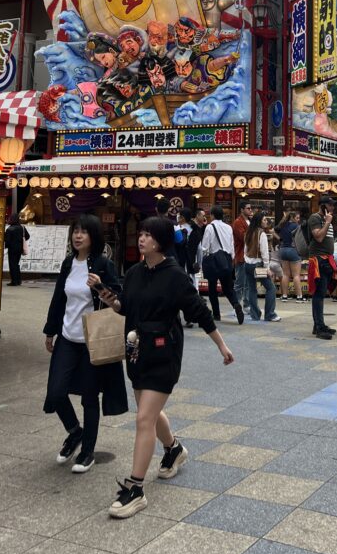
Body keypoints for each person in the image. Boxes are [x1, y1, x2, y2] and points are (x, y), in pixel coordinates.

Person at [96, 216, 234, 518]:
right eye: (141, 233)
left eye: (148, 235)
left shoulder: (175, 276)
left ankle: (135, 488)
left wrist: (222, 346)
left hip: (164, 354)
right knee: (149, 412)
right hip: (137, 351)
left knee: (144, 418)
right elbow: (126, 307)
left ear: (160, 241)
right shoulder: (134, 272)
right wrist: (110, 300)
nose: (141, 238)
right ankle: (173, 449)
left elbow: (200, 312)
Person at [43, 215, 128, 474]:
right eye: (75, 231)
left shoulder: (103, 264)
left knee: (90, 398)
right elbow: (59, 298)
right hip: (67, 337)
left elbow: (118, 300)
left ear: (94, 236)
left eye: (83, 232)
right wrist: (50, 331)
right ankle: (75, 432)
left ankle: (88, 451)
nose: (78, 236)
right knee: (56, 392)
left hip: (92, 340)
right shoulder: (68, 263)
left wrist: (100, 287)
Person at [201, 206, 245, 324]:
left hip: (213, 260)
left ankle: (216, 314)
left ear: (212, 215)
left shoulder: (210, 227)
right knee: (228, 288)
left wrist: (203, 259)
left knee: (212, 288)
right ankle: (236, 304)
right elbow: (231, 244)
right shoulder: (228, 227)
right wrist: (231, 259)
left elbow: (205, 246)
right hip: (226, 260)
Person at [307, 196, 337, 339]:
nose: (332, 207)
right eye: (330, 205)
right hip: (318, 259)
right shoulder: (315, 218)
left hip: (326, 259)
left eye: (333, 205)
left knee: (321, 293)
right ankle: (319, 327)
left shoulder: (325, 219)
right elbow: (318, 237)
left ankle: (319, 324)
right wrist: (327, 222)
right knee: (319, 294)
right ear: (323, 205)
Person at [244, 211, 281, 322]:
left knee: (252, 289)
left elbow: (245, 250)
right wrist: (267, 268)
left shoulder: (249, 232)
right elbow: (265, 253)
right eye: (264, 220)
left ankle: (255, 314)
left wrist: (247, 260)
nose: (266, 222)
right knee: (271, 288)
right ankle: (270, 314)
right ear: (259, 221)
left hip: (248, 264)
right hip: (258, 265)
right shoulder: (262, 234)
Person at [277, 212, 305, 302]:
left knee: (285, 274)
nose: (298, 220)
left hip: (283, 250)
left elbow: (274, 231)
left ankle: (284, 295)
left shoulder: (282, 225)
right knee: (296, 275)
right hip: (293, 250)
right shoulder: (296, 226)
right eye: (297, 218)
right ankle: (299, 296)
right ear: (292, 217)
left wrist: (280, 239)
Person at [232, 199, 252, 314]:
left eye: (250, 208)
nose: (250, 210)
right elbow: (244, 238)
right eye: (248, 208)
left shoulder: (249, 221)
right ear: (241, 210)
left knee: (248, 283)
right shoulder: (238, 222)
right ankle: (237, 306)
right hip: (241, 256)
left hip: (249, 256)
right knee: (239, 283)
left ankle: (246, 305)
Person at [4, 213, 29, 286]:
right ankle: (18, 280)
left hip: (12, 249)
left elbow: (7, 241)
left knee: (12, 265)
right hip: (20, 249)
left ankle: (14, 281)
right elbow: (27, 236)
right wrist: (20, 240)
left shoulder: (9, 229)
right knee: (16, 264)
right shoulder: (22, 227)